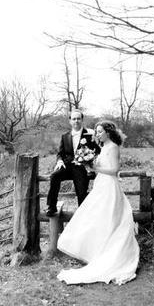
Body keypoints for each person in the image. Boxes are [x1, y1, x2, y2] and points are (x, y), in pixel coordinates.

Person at [56, 120, 139, 285]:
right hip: (101, 184)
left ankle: (111, 254)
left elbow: (114, 170)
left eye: (100, 131)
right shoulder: (103, 148)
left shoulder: (113, 147)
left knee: (109, 218)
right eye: (97, 131)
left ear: (108, 133)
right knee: (96, 218)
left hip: (109, 186)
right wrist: (89, 164)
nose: (97, 134)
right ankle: (97, 252)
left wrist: (95, 169)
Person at [46, 109, 101, 217]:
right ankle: (51, 207)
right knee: (54, 176)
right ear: (70, 121)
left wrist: (91, 162)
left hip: (82, 168)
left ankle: (83, 215)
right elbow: (60, 153)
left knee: (81, 192)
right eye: (74, 119)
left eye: (78, 119)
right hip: (67, 166)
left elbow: (98, 151)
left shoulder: (89, 135)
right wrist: (60, 160)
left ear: (82, 120)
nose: (76, 121)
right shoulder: (65, 136)